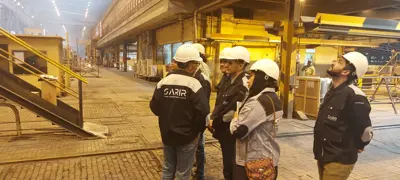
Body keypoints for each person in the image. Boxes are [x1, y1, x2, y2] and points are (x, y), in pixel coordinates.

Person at [150, 44, 210, 180]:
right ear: (190, 66)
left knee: (167, 169)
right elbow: (204, 114)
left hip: (167, 135)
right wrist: (196, 131)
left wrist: (168, 117)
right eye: (195, 64)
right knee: (183, 173)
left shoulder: (163, 82)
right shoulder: (194, 84)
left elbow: (154, 107)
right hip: (187, 137)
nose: (196, 67)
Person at [313, 52, 373, 180]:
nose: (333, 62)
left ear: (346, 72)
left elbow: (366, 130)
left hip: (339, 160)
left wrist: (359, 145)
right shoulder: (332, 92)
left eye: (339, 62)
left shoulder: (354, 95)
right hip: (324, 155)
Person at [230, 59, 283, 180]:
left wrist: (235, 117)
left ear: (263, 77)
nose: (248, 81)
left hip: (252, 163)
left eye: (252, 76)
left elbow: (238, 131)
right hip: (269, 160)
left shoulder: (259, 102)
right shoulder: (275, 98)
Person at [208, 46, 250, 180]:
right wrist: (213, 118)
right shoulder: (227, 78)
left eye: (229, 62)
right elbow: (220, 102)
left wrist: (216, 120)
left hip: (232, 129)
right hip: (224, 129)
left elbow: (234, 110)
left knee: (233, 163)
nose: (225, 65)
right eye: (223, 61)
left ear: (241, 64)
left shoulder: (245, 83)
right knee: (228, 160)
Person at [192, 43, 211, 180]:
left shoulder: (201, 71)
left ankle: (200, 173)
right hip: (201, 111)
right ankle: (198, 166)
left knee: (199, 144)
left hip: (199, 112)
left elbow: (202, 94)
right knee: (199, 143)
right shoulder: (204, 68)